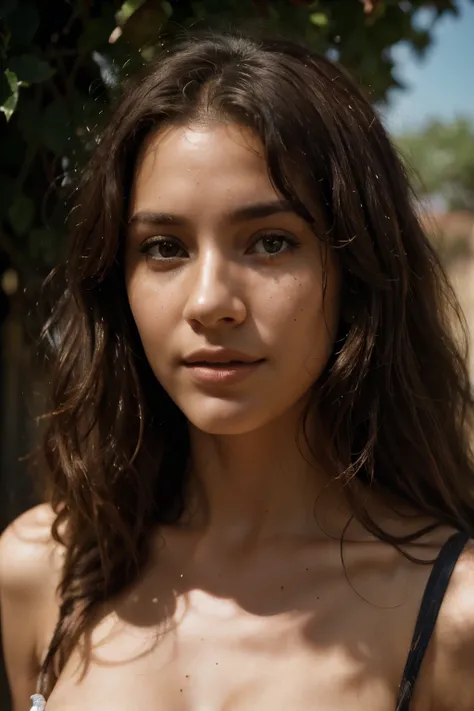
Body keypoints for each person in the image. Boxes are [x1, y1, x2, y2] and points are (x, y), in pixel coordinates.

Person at [0, 30, 473, 711]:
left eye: (270, 241)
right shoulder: (42, 573)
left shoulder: (452, 616)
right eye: (164, 247)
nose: (209, 302)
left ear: (355, 271)